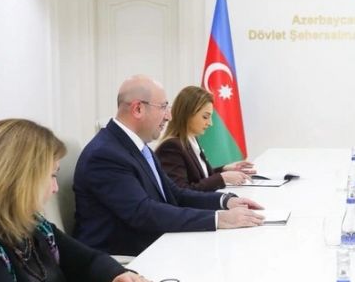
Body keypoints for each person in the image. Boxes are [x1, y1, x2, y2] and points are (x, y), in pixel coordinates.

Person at [0, 119, 164, 282]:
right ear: (21, 178)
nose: (55, 188)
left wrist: (118, 275)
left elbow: (87, 262)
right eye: (51, 176)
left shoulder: (34, 226)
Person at [73, 75, 264, 257]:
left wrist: (225, 202)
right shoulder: (105, 154)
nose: (169, 116)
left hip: (156, 245)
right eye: (163, 107)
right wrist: (218, 219)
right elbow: (144, 213)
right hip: (128, 260)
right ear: (138, 109)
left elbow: (176, 194)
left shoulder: (138, 147)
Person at [156, 86, 255, 191]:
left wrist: (224, 169)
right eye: (205, 117)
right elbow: (182, 192)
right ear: (187, 114)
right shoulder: (171, 147)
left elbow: (199, 176)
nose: (210, 123)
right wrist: (222, 178)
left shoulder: (191, 140)